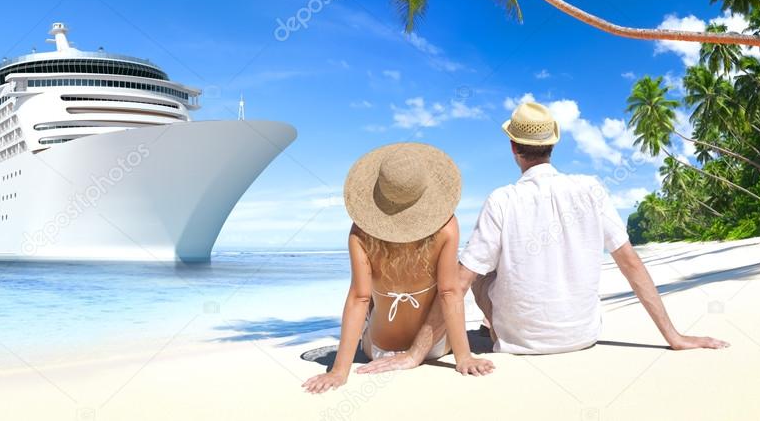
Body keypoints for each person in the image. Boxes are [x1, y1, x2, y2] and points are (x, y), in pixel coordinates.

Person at [358, 101, 728, 374]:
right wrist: (674, 336)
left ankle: (489, 327)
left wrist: (414, 354)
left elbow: (458, 284)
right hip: (582, 336)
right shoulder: (591, 189)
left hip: (520, 344)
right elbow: (631, 265)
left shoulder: (502, 199)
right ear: (552, 145)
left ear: (513, 149)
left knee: (477, 271)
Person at [302, 143, 494, 393]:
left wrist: (340, 370)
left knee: (369, 300)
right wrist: (464, 357)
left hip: (379, 349)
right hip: (435, 348)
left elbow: (358, 299)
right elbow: (449, 293)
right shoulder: (447, 227)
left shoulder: (360, 233)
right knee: (441, 292)